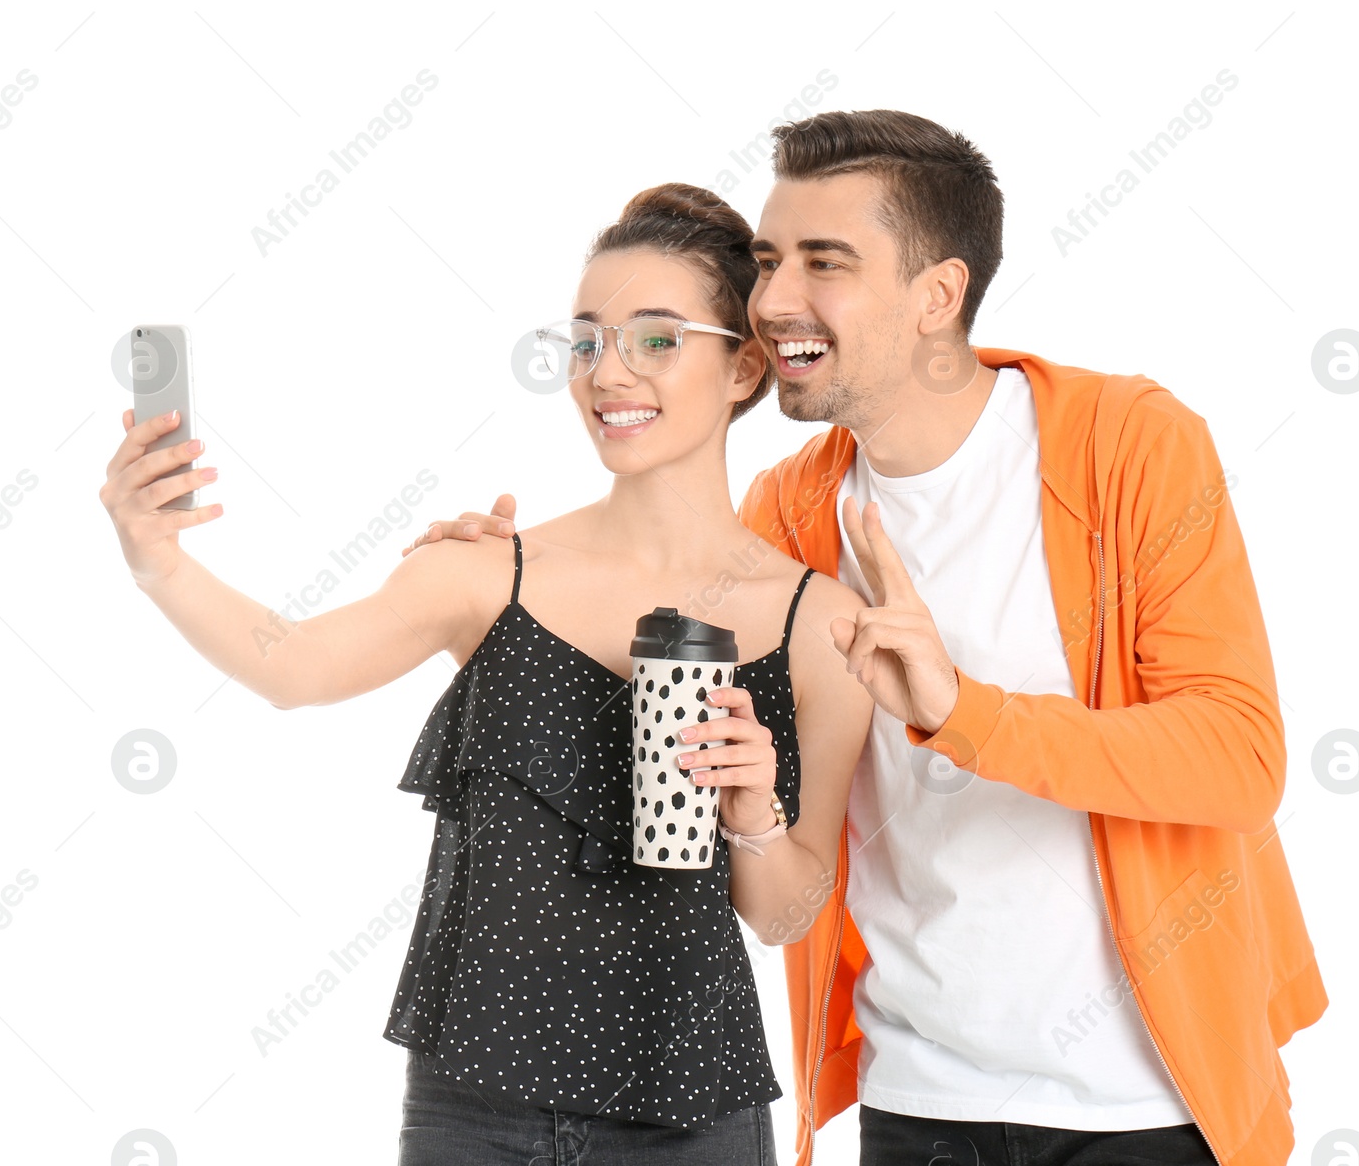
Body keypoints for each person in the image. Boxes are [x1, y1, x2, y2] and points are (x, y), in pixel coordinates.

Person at [409, 110, 1328, 1166]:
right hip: (916, 1100)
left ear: (937, 294)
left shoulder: (1127, 446)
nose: (773, 302)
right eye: (766, 261)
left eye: (823, 262)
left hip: (1150, 1106)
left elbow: (1237, 757)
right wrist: (502, 589)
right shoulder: (788, 511)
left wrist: (959, 711)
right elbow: (653, 654)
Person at [99, 183, 874, 1165]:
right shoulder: (486, 569)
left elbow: (785, 912)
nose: (609, 373)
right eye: (587, 340)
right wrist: (156, 558)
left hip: (693, 1112)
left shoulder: (819, 623)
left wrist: (753, 807)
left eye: (657, 338)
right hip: (476, 1107)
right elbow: (292, 667)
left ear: (743, 367)